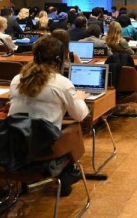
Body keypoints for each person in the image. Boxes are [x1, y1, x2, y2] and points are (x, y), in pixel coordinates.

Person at [8, 36, 89, 196]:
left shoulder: (17, 79)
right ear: (59, 59)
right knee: (74, 129)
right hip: (46, 152)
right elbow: (80, 115)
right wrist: (78, 98)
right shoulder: (62, 83)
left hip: (12, 149)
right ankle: (68, 174)